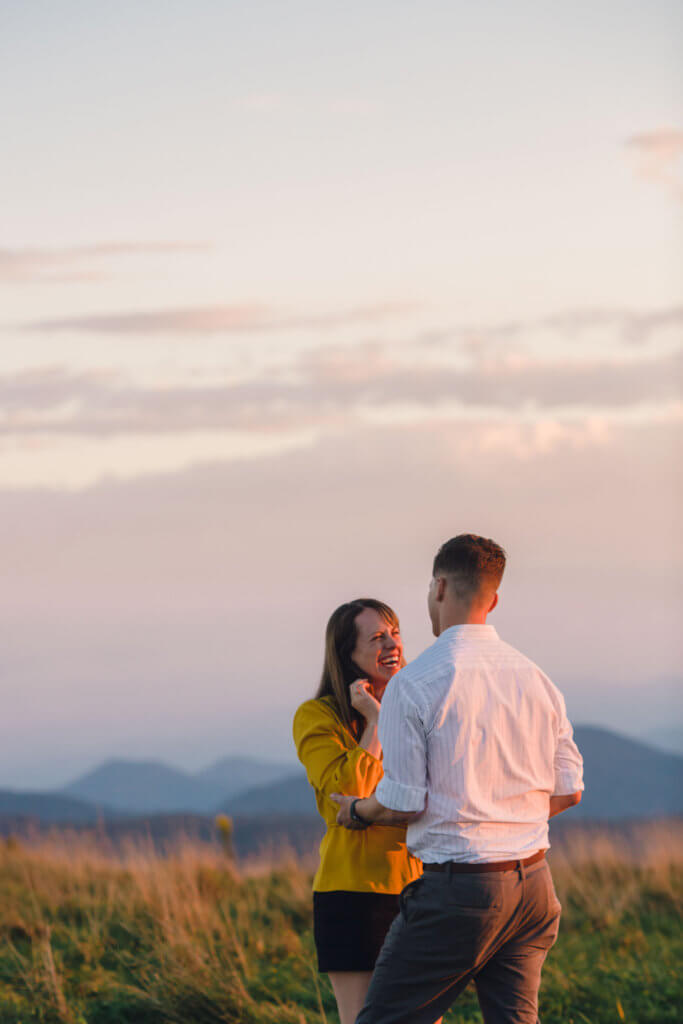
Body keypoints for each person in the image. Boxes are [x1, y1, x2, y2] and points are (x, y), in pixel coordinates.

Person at [333, 534, 584, 1024]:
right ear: (493, 599)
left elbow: (404, 803)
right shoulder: (538, 680)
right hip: (534, 887)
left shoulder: (417, 682)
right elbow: (569, 789)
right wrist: (503, 814)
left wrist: (357, 811)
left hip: (460, 892)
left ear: (439, 587)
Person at [292, 599, 423, 1024]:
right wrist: (375, 723)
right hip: (353, 892)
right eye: (376, 637)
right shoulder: (317, 718)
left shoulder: (420, 710)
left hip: (423, 886)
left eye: (395, 633)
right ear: (348, 654)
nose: (392, 644)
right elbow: (346, 793)